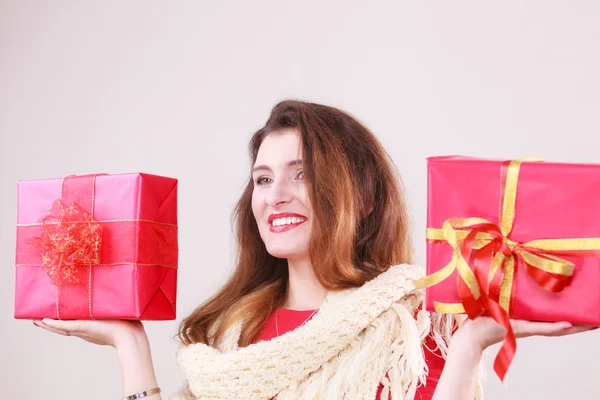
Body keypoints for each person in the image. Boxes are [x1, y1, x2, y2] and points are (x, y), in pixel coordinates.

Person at [34, 100, 593, 400]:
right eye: (261, 178)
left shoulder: (412, 328)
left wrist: (470, 344)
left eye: (302, 176)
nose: (275, 196)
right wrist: (131, 347)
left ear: (365, 198)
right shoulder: (229, 335)